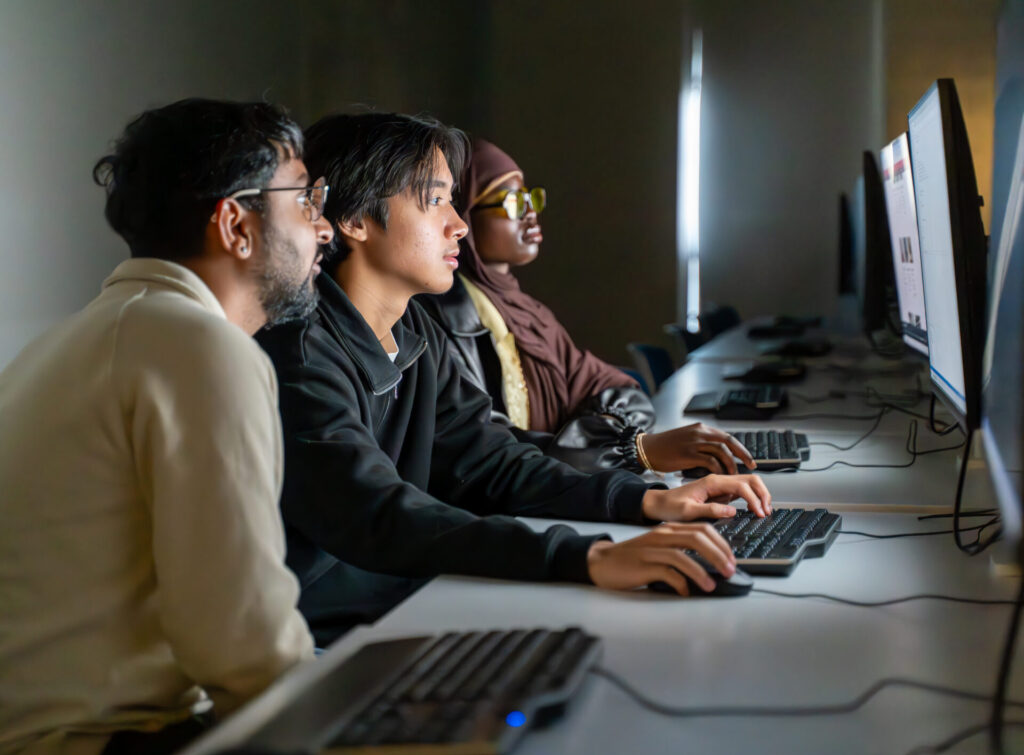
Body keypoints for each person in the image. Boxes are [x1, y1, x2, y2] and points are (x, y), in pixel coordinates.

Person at [255, 112, 772, 646]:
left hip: (409, 600)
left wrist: (637, 500)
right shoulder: (299, 355)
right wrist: (586, 555)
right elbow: (378, 513)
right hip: (326, 639)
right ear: (356, 220)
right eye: (434, 201)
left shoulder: (412, 331)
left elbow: (492, 457)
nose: (458, 225)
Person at [0, 98, 333, 755]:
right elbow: (242, 642)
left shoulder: (65, 343)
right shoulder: (198, 346)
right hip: (100, 747)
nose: (322, 229)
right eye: (306, 200)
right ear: (235, 224)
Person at [418, 138, 755, 477]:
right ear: (466, 215)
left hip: (564, 494)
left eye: (531, 198)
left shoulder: (529, 313)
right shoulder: (440, 321)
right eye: (513, 202)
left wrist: (605, 436)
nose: (531, 213)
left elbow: (613, 386)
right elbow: (489, 450)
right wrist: (629, 449)